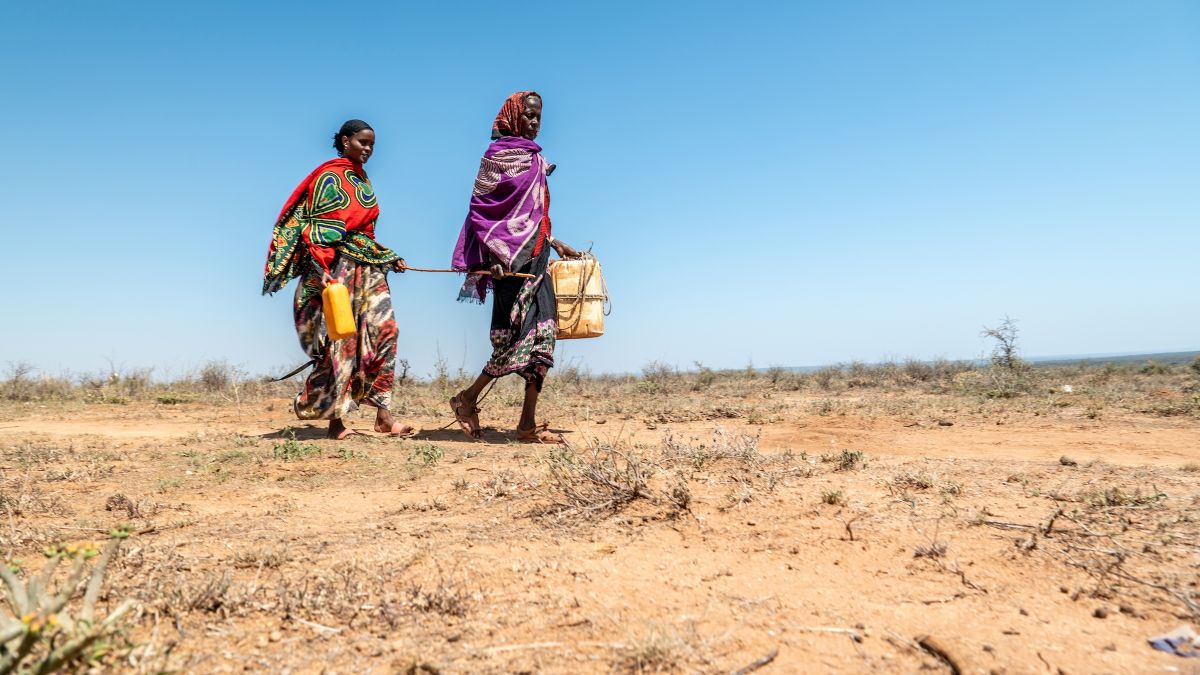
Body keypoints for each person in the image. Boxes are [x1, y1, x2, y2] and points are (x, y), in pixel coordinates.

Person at [262, 119, 415, 440]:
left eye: (372, 144)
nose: (369, 149)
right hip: (337, 270)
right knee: (342, 342)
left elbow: (365, 233)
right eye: (363, 142)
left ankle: (383, 416)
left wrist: (387, 255)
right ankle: (337, 422)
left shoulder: (363, 179)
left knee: (387, 331)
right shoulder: (329, 176)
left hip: (368, 270)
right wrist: (326, 271)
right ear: (346, 141)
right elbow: (320, 230)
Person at [449, 91, 582, 443]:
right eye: (528, 116)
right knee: (512, 341)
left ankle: (525, 424)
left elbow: (534, 214)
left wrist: (555, 242)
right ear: (512, 117)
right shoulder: (495, 158)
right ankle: (468, 398)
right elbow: (480, 208)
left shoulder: (537, 160)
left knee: (542, 341)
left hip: (537, 258)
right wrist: (493, 256)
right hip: (508, 262)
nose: (534, 123)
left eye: (539, 117)